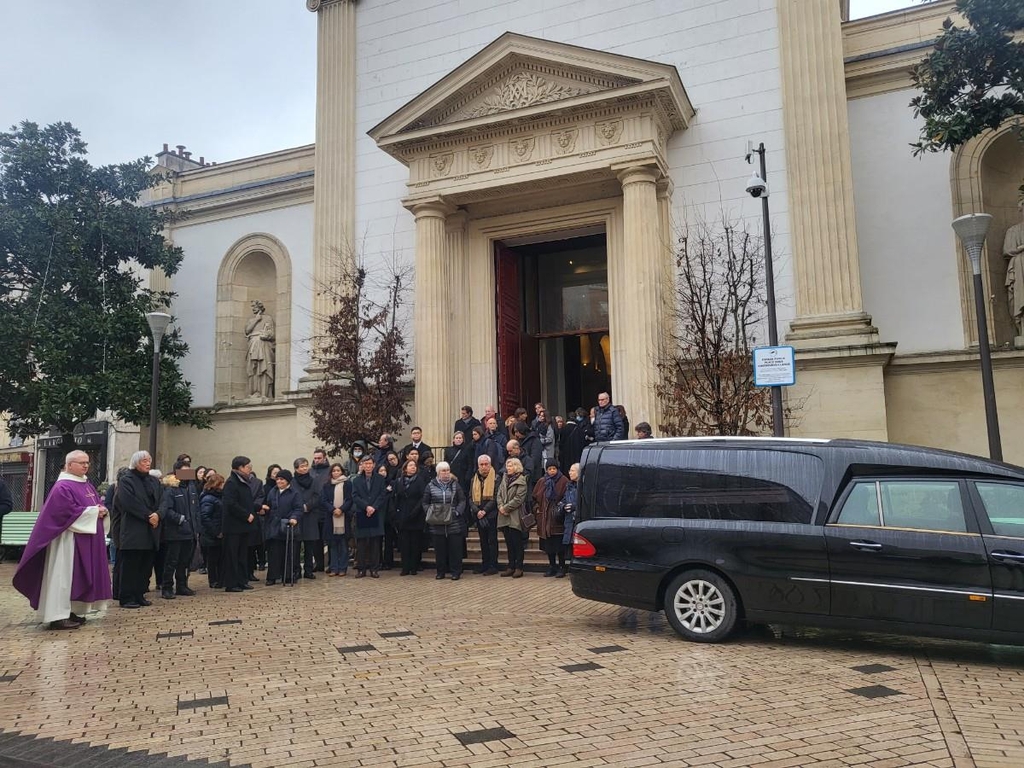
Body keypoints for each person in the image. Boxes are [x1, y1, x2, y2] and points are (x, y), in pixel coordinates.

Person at [12, 450, 112, 630]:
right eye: (81, 463)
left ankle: (72, 610)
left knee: (74, 578)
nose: (86, 466)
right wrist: (94, 512)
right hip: (66, 541)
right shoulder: (62, 487)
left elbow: (93, 504)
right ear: (69, 464)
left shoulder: (86, 484)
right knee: (62, 577)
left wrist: (101, 509)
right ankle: (57, 615)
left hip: (82, 539)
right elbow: (63, 513)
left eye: (87, 462)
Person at [113, 451, 162, 609]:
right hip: (134, 529)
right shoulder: (126, 480)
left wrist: (158, 514)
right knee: (131, 565)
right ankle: (127, 597)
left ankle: (139, 594)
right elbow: (129, 502)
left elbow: (162, 499)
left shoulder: (153, 481)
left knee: (145, 564)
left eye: (149, 460)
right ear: (135, 463)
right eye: (144, 461)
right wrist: (148, 515)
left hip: (151, 529)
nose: (147, 463)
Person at [423, 461, 468, 580]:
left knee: (455, 549)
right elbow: (425, 502)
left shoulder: (455, 485)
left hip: (453, 522)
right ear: (438, 473)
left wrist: (457, 512)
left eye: (448, 470)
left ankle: (455, 572)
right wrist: (430, 512)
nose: (446, 473)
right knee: (440, 549)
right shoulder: (430, 485)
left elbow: (462, 500)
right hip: (437, 523)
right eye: (443, 471)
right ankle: (440, 571)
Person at [157, 471, 198, 599]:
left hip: (189, 531)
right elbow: (166, 509)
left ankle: (182, 585)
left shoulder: (191, 487)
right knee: (171, 561)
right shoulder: (171, 489)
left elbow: (196, 508)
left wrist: (196, 525)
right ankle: (167, 587)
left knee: (184, 561)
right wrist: (180, 519)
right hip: (175, 531)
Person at [221, 456, 256, 593]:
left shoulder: (244, 482)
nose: (250, 469)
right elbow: (230, 504)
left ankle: (242, 580)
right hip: (233, 526)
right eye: (248, 467)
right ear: (240, 468)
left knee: (242, 555)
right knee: (232, 555)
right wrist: (246, 514)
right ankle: (231, 583)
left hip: (243, 526)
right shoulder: (231, 482)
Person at [264, 469, 302, 586]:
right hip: (274, 526)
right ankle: (272, 576)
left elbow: (298, 508)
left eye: (282, 479)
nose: (279, 481)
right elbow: (269, 505)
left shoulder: (294, 493)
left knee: (289, 552)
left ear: (287, 481)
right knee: (274, 553)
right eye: (278, 479)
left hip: (287, 526)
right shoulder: (272, 491)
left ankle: (288, 575)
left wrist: (294, 517)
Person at [351, 455, 386, 578]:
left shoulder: (380, 479)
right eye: (365, 464)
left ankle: (374, 568)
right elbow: (355, 496)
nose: (368, 466)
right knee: (361, 543)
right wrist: (366, 507)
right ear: (362, 465)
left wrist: (373, 507)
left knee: (375, 543)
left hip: (376, 512)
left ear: (374, 465)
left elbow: (382, 495)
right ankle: (361, 569)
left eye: (370, 463)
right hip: (362, 512)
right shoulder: (356, 480)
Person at [533, 459, 569, 577]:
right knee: (548, 546)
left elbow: (566, 497)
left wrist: (560, 508)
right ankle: (552, 566)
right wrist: (537, 509)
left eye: (554, 469)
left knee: (559, 546)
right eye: (549, 469)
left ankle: (562, 567)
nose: (552, 471)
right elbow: (535, 497)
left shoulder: (564, 481)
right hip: (544, 518)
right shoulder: (542, 481)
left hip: (557, 518)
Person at [496, 457, 528, 579]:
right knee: (509, 543)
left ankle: (519, 567)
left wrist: (506, 508)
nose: (507, 468)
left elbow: (519, 498)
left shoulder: (521, 480)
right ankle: (511, 566)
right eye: (507, 466)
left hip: (515, 515)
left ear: (516, 467)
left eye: (510, 466)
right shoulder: (504, 479)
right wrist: (500, 506)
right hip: (503, 515)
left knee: (517, 543)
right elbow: (499, 494)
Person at [394, 459, 426, 575]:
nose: (413, 467)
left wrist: (415, 511)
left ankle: (414, 567)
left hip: (416, 516)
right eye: (410, 465)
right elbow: (396, 498)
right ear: (405, 468)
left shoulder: (419, 481)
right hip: (403, 515)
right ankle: (405, 567)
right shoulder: (399, 481)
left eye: (414, 466)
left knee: (415, 543)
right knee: (404, 544)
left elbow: (423, 497)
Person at [469, 454, 499, 576]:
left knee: (492, 540)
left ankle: (493, 565)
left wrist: (485, 511)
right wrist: (477, 511)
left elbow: (496, 497)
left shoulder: (496, 478)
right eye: (481, 464)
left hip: (491, 514)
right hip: (479, 514)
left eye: (486, 464)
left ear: (490, 465)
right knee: (482, 541)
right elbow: (470, 497)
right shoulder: (474, 478)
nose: (484, 467)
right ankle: (484, 563)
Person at [293, 457, 323, 578]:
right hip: (297, 517)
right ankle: (296, 570)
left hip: (310, 515)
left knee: (309, 545)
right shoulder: (292, 481)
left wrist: (308, 506)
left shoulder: (314, 480)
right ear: (296, 468)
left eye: (306, 465)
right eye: (302, 466)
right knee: (296, 546)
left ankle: (308, 570)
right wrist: (299, 507)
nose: (305, 468)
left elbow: (317, 496)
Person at [321, 462, 351, 576]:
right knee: (332, 545)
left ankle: (343, 568)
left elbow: (349, 499)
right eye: (334, 471)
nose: (336, 473)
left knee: (343, 545)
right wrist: (333, 509)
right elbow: (323, 500)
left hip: (343, 518)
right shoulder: (327, 485)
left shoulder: (347, 484)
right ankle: (334, 568)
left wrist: (341, 509)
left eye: (338, 470)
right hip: (331, 518)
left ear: (342, 471)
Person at [198, 472, 225, 589]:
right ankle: (213, 580)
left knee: (218, 558)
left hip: (218, 531)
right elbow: (205, 517)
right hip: (212, 534)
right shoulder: (208, 498)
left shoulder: (218, 497)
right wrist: (215, 532)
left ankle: (219, 579)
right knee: (212, 559)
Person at [560, 463, 580, 578]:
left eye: (572, 471)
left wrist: (575, 507)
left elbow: (586, 502)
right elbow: (563, 500)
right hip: (569, 520)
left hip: (578, 521)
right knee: (570, 546)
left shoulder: (584, 486)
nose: (570, 473)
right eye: (570, 470)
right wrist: (563, 506)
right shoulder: (569, 486)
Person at [444, 431, 473, 498]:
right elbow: (446, 463)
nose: (458, 439)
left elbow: (470, 464)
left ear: (463, 439)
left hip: (463, 477)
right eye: (457, 438)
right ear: (453, 440)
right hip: (452, 476)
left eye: (460, 438)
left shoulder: (467, 450)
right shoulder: (448, 450)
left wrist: (468, 477)